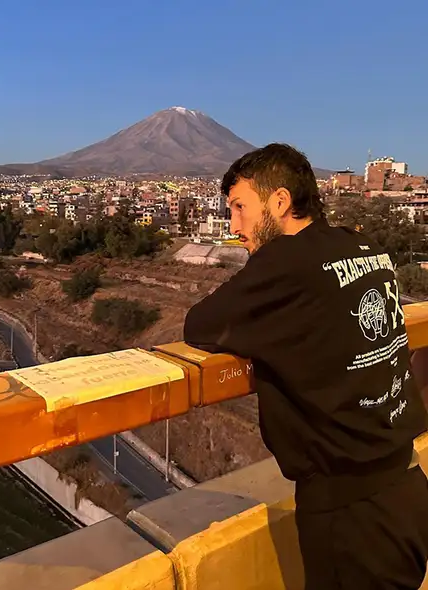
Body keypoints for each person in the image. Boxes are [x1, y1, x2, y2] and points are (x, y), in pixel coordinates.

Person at [183, 143, 428, 589]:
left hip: (350, 511)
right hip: (406, 487)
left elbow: (200, 324)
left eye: (240, 207)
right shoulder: (362, 245)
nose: (234, 225)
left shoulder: (285, 262)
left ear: (279, 201)